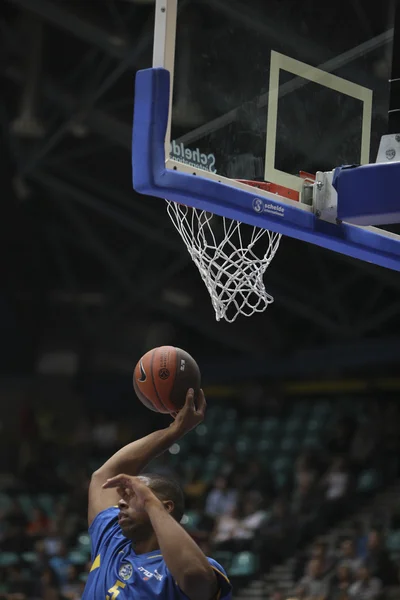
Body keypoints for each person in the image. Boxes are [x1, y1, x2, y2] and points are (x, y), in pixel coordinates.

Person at [82, 388, 232, 600]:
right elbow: (104, 476)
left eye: (132, 495)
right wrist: (175, 430)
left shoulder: (187, 566)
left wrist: (150, 502)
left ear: (165, 506)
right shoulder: (112, 538)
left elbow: (193, 576)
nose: (122, 503)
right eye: (124, 497)